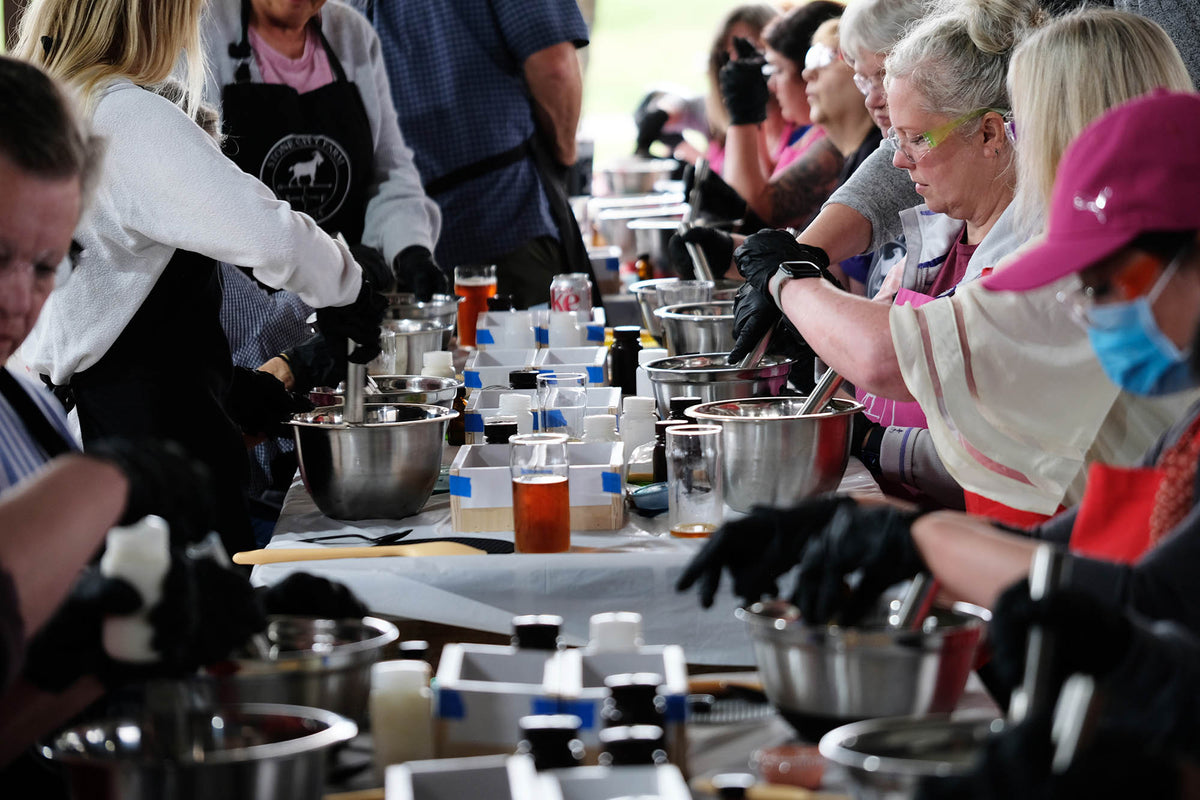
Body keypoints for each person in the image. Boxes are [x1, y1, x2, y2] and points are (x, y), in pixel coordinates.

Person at [680, 89, 1200, 657]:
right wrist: (865, 524)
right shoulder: (1185, 436)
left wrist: (920, 540)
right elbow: (1065, 548)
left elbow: (1151, 599)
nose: (1093, 315)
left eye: (1105, 287)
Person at [15, 0, 387, 555]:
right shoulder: (126, 115)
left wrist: (228, 390)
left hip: (102, 435)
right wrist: (350, 289)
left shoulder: (54, 109)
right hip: (155, 461)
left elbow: (94, 310)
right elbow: (275, 237)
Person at [361, 0, 593, 309]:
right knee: (538, 353)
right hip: (506, 223)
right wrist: (564, 156)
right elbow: (555, 68)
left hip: (396, 251)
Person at [716, 1, 848, 230]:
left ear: (812, 72)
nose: (771, 86)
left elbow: (750, 212)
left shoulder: (837, 143)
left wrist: (743, 117)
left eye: (778, 70)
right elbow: (765, 178)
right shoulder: (816, 135)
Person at [634, 4, 780, 171]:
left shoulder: (791, 136)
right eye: (725, 57)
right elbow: (672, 108)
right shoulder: (715, 117)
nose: (735, 66)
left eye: (749, 53)